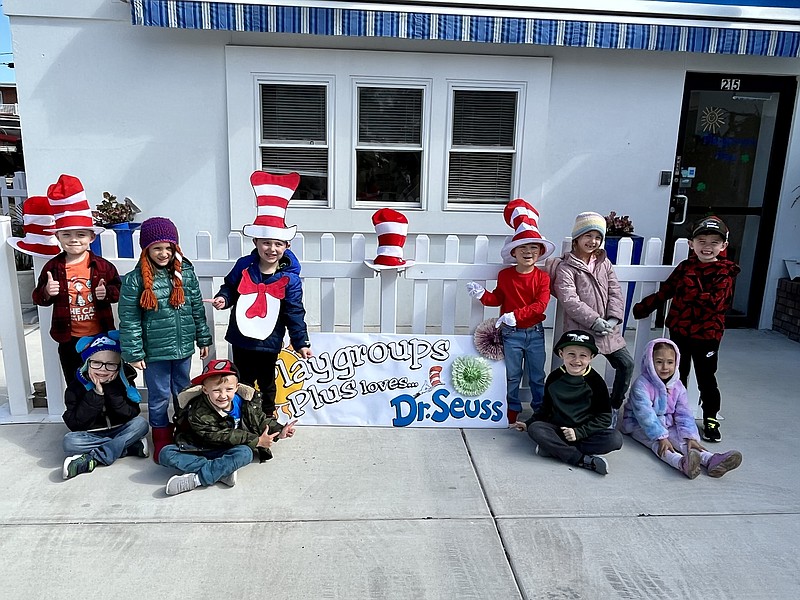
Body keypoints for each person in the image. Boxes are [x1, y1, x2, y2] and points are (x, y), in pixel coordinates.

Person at [211, 171, 312, 417]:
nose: (272, 248)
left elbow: (294, 311)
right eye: (266, 242)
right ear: (256, 242)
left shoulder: (290, 279)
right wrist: (224, 299)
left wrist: (301, 342)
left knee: (267, 380)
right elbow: (230, 288)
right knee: (242, 379)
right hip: (241, 336)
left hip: (269, 340)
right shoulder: (243, 267)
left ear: (287, 246)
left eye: (278, 244)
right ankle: (243, 414)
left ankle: (267, 415)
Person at [632, 216, 740, 443]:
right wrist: (647, 306)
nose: (707, 247)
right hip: (680, 330)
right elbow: (667, 290)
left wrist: (689, 291)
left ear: (723, 246)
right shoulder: (686, 267)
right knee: (675, 373)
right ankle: (670, 411)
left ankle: (710, 417)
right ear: (691, 244)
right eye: (701, 240)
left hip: (707, 335)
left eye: (713, 242)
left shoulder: (725, 272)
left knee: (706, 376)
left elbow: (716, 303)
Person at [118, 217, 212, 463]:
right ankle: (160, 435)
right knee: (159, 395)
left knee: (184, 391)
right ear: (146, 249)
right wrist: (135, 352)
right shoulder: (135, 280)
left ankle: (184, 429)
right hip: (155, 350)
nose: (163, 253)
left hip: (182, 348)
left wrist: (203, 338)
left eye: (169, 248)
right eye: (157, 248)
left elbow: (196, 309)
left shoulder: (185, 274)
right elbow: (129, 320)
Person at [466, 198, 553, 425]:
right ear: (513, 253)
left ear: (540, 252)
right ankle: (511, 411)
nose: (528, 251)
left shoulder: (542, 278)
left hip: (534, 332)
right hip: (511, 334)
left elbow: (540, 305)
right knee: (512, 375)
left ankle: (539, 412)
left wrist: (517, 315)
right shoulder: (506, 276)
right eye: (522, 247)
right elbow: (497, 299)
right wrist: (482, 295)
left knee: (537, 376)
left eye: (533, 247)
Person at [158, 359, 296, 496]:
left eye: (229, 389)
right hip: (199, 447)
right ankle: (219, 473)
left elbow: (260, 420)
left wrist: (279, 431)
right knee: (165, 454)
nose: (223, 395)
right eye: (216, 390)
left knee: (245, 453)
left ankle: (198, 478)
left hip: (228, 448)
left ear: (236, 388)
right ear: (205, 390)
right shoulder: (198, 411)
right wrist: (257, 441)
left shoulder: (245, 402)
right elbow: (222, 435)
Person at [32, 174, 121, 385]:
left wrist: (106, 293)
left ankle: (101, 415)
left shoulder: (103, 266)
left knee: (102, 378)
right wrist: (47, 292)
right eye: (67, 235)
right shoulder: (53, 267)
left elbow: (118, 290)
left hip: (99, 335)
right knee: (75, 380)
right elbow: (38, 297)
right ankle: (80, 417)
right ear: (58, 237)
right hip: (68, 338)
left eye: (81, 234)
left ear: (91, 237)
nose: (74, 240)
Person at [549, 212, 634, 424]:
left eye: (597, 237)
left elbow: (615, 290)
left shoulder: (604, 263)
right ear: (576, 238)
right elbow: (569, 300)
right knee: (580, 371)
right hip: (582, 330)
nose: (593, 241)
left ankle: (613, 407)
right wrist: (594, 320)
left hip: (607, 329)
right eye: (588, 235)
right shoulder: (567, 267)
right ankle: (581, 412)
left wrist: (613, 319)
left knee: (626, 364)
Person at [621, 338, 742, 478]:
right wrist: (661, 437)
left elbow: (684, 413)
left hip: (667, 422)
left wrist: (690, 436)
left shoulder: (677, 386)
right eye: (659, 362)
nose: (665, 367)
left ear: (676, 362)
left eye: (670, 362)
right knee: (661, 445)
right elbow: (645, 415)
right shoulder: (641, 385)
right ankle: (681, 463)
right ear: (649, 361)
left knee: (684, 441)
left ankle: (710, 459)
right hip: (639, 425)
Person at [524, 330, 623, 475]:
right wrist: (527, 424)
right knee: (536, 429)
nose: (576, 360)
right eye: (571, 354)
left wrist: (579, 432)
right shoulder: (554, 378)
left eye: (583, 355)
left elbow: (604, 417)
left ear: (591, 357)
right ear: (561, 353)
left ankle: (555, 450)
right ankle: (581, 459)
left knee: (615, 439)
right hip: (559, 430)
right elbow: (545, 409)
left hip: (584, 432)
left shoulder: (596, 383)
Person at [61, 330, 150, 479]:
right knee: (70, 442)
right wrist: (97, 394)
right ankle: (126, 447)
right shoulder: (75, 387)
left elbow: (131, 413)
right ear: (87, 364)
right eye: (96, 363)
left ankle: (93, 458)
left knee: (141, 424)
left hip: (119, 428)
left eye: (110, 365)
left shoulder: (124, 382)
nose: (103, 369)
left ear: (118, 367)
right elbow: (75, 424)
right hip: (91, 434)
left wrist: (111, 391)